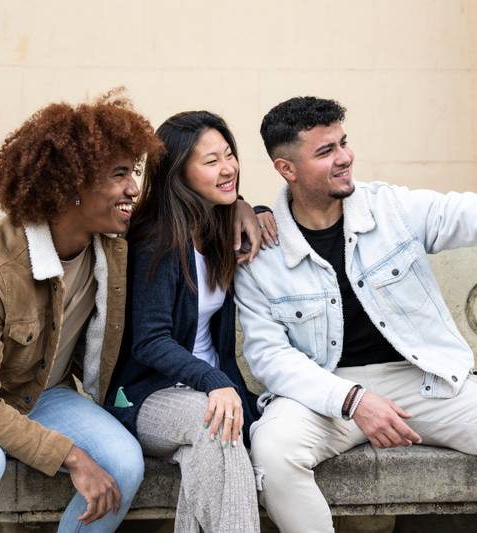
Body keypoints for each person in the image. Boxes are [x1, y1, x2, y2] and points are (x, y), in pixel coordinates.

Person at [234, 96, 477, 533]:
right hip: (323, 393)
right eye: (325, 151)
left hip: (417, 378)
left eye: (343, 143)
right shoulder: (260, 252)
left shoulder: (392, 209)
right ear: (286, 169)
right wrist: (351, 400)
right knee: (273, 453)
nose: (345, 158)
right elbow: (270, 357)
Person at [0, 91, 265, 532]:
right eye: (119, 175)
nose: (133, 188)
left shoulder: (112, 236)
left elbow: (182, 202)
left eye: (132, 173)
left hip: (42, 393)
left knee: (123, 463)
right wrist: (72, 457)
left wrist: (244, 207)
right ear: (73, 188)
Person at [106, 110, 272, 533]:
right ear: (178, 174)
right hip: (146, 396)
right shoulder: (157, 239)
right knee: (218, 429)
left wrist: (250, 206)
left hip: (212, 391)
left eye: (229, 155)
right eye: (211, 161)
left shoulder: (217, 226)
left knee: (214, 449)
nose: (228, 167)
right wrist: (214, 382)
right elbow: (150, 340)